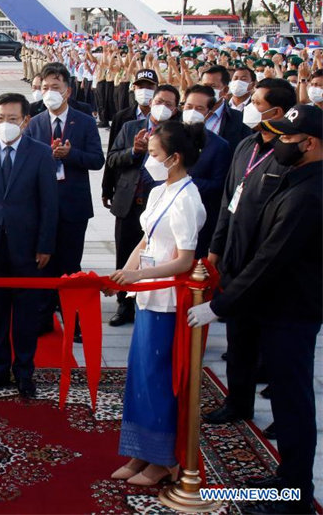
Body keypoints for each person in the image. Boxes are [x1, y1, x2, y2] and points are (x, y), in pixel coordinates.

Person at [189, 105, 322, 515]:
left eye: (287, 138)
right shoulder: (295, 176)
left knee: (291, 399)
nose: (279, 144)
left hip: (290, 309)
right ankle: (287, 479)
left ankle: (294, 491)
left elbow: (272, 257)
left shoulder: (310, 192)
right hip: (268, 302)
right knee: (285, 394)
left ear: (311, 144)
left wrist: (221, 304)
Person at [108, 120, 206, 486]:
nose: (147, 160)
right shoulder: (158, 191)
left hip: (167, 301)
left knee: (159, 380)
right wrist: (122, 275)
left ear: (175, 158)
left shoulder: (187, 199)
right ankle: (140, 451)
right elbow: (144, 242)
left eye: (153, 155)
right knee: (140, 378)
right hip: (147, 296)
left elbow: (184, 261)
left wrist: (140, 277)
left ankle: (163, 460)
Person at [203, 78, 295, 429]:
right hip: (235, 261)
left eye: (257, 102)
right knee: (238, 341)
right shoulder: (245, 145)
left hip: (270, 268)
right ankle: (237, 402)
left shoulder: (289, 155)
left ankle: (284, 418)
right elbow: (229, 201)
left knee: (276, 349)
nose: (249, 107)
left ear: (279, 112)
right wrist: (215, 250)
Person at [0, 93, 58, 398]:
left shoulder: (42, 154)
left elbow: (49, 204)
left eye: (12, 119)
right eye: (0, 118)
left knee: (26, 315)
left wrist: (45, 245)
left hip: (29, 249)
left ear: (26, 121)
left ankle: (25, 372)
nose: (5, 124)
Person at [25, 62, 104, 341]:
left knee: (70, 266)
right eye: (44, 87)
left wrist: (70, 155)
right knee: (43, 262)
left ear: (68, 91)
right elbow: (26, 162)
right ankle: (44, 317)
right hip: (42, 207)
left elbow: (97, 159)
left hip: (73, 206)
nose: (49, 93)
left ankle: (74, 321)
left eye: (55, 87)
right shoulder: (34, 123)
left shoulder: (83, 121)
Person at [106, 84, 180, 326]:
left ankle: (149, 304)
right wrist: (135, 151)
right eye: (159, 101)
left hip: (161, 207)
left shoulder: (177, 134)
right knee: (126, 255)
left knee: (157, 257)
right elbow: (113, 159)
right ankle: (124, 305)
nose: (162, 106)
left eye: (169, 104)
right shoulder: (131, 128)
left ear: (176, 108)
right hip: (130, 204)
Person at [180, 86, 233, 257]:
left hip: (200, 220)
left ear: (208, 113)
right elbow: (149, 172)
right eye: (189, 107)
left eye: (199, 108)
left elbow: (219, 184)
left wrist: (184, 182)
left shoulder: (219, 145)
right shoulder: (165, 136)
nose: (192, 111)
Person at [102, 69, 160, 209]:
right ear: (134, 88)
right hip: (127, 188)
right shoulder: (122, 117)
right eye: (140, 87)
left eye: (149, 87)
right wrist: (107, 189)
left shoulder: (166, 118)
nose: (144, 91)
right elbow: (112, 153)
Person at [199, 65, 250, 150]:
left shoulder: (239, 119)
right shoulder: (188, 113)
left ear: (225, 90)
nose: (207, 90)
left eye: (213, 86)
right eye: (204, 86)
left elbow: (244, 151)